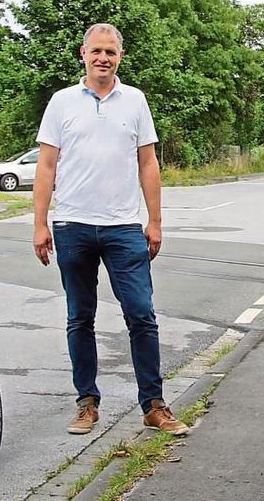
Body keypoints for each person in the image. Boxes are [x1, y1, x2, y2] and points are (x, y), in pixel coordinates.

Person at [32, 23, 189, 438]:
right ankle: (87, 403)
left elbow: (148, 163)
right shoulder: (62, 102)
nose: (104, 58)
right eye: (97, 51)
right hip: (73, 225)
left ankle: (153, 405)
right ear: (83, 54)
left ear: (120, 56)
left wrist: (154, 221)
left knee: (141, 314)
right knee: (79, 317)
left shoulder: (134, 100)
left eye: (111, 52)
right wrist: (40, 223)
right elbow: (46, 166)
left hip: (123, 228)